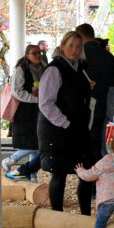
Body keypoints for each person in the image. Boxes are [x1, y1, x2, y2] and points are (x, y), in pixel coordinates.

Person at [37, 32, 98, 215]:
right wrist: (65, 123)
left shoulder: (79, 68)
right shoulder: (54, 69)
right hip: (57, 129)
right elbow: (45, 103)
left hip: (78, 127)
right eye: (71, 45)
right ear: (62, 46)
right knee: (59, 172)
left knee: (86, 170)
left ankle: (85, 215)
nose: (74, 50)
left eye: (78, 47)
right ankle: (58, 216)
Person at [77, 23, 114, 160]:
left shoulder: (79, 55)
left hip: (83, 105)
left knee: (86, 143)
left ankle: (91, 169)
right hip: (103, 104)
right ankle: (101, 167)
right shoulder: (109, 57)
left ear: (80, 36)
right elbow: (112, 84)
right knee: (100, 142)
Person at [5, 43, 44, 180]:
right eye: (34, 53)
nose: (38, 55)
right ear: (27, 55)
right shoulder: (21, 69)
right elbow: (17, 91)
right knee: (35, 144)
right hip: (25, 111)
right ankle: (11, 159)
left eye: (39, 52)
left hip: (38, 109)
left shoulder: (43, 68)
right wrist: (35, 99)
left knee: (37, 143)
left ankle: (32, 176)